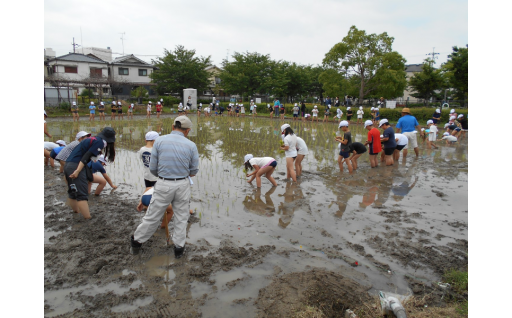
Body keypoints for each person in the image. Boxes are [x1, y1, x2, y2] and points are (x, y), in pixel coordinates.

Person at [130, 116, 199, 259]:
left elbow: (153, 168)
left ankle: (136, 242)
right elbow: (194, 171)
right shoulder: (191, 145)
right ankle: (179, 249)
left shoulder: (159, 141)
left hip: (163, 183)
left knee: (152, 216)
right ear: (187, 131)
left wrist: (163, 176)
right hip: (182, 185)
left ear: (173, 127)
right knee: (181, 217)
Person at [65, 127, 116, 219]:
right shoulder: (100, 142)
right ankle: (88, 219)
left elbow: (87, 156)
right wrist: (77, 171)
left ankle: (76, 212)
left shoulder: (93, 139)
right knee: (82, 195)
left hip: (68, 164)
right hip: (76, 166)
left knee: (72, 192)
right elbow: (85, 157)